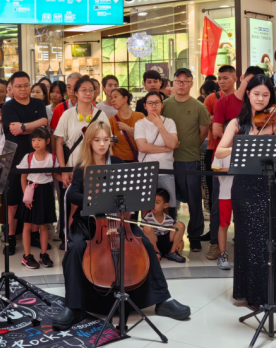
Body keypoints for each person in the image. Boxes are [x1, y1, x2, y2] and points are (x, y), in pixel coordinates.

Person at [51, 121, 190, 330]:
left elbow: (132, 193)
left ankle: (163, 299)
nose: (102, 144)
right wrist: (93, 201)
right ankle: (73, 306)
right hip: (89, 222)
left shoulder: (116, 162)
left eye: (106, 140)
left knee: (145, 244)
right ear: (89, 142)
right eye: (97, 140)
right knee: (76, 248)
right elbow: (73, 194)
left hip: (118, 219)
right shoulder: (82, 167)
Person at [214, 74, 276, 310]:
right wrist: (243, 144)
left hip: (271, 186)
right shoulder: (237, 123)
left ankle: (269, 293)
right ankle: (250, 293)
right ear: (248, 94)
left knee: (270, 240)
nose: (261, 99)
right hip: (245, 187)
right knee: (248, 240)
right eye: (256, 94)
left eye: (266, 95)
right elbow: (220, 151)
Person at [55, 77, 109, 246]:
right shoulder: (67, 114)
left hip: (96, 167)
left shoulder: (100, 114)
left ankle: (97, 240)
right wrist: (63, 170)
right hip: (74, 166)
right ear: (75, 93)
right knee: (74, 204)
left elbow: (108, 141)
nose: (87, 93)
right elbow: (59, 142)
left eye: (91, 90)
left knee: (97, 203)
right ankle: (72, 241)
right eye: (83, 90)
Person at [162, 68, 210, 252]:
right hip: (167, 159)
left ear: (191, 84)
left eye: (186, 81)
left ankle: (195, 236)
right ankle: (168, 235)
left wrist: (190, 147)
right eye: (178, 81)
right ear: (173, 83)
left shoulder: (199, 107)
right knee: (169, 201)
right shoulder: (165, 105)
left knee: (194, 201)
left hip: (190, 159)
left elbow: (203, 133)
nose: (181, 84)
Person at [1, 72, 48, 256]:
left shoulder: (38, 103)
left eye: (26, 85)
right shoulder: (8, 106)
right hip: (14, 159)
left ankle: (34, 235)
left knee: (36, 197)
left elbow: (44, 123)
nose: (23, 89)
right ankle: (11, 238)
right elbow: (14, 130)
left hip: (38, 159)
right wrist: (31, 127)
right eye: (18, 86)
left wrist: (23, 127)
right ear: (12, 88)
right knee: (12, 203)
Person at [204, 65, 237, 260]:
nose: (222, 81)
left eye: (226, 78)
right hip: (218, 154)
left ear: (235, 78)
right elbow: (215, 130)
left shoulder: (245, 100)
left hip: (241, 157)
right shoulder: (213, 99)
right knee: (217, 203)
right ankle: (215, 243)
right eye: (220, 78)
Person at [17, 127, 58, 269]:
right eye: (33, 140)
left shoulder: (52, 157)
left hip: (46, 192)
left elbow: (54, 175)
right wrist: (26, 197)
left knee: (43, 225)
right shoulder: (28, 157)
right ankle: (27, 256)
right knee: (27, 225)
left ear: (47, 141)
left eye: (40, 140)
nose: (36, 143)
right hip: (31, 191)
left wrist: (66, 179)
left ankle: (44, 254)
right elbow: (23, 177)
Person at [135, 91, 179, 211]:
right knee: (146, 208)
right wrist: (166, 148)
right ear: (145, 106)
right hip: (146, 172)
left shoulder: (169, 122)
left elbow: (172, 143)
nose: (154, 106)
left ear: (162, 105)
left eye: (157, 103)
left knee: (166, 207)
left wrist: (160, 126)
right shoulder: (140, 124)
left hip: (166, 171)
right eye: (150, 103)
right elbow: (142, 147)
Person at [142, 188, 186, 263]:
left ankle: (172, 252)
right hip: (154, 244)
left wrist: (181, 242)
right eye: (152, 202)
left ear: (165, 205)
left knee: (180, 225)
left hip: (167, 244)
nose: (153, 205)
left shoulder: (169, 219)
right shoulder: (146, 218)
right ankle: (156, 252)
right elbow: (142, 237)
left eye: (157, 202)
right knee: (146, 228)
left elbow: (176, 235)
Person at [211, 122, 233, 270]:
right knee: (223, 224)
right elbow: (215, 170)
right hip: (226, 193)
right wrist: (231, 169)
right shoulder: (221, 150)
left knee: (243, 225)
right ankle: (222, 253)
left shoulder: (245, 149)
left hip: (243, 193)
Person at [107, 88, 143, 163]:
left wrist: (127, 129)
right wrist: (112, 160)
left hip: (138, 159)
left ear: (125, 98)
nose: (112, 100)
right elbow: (109, 144)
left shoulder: (140, 117)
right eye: (111, 98)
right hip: (118, 161)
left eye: (115, 97)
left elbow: (145, 138)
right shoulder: (111, 120)